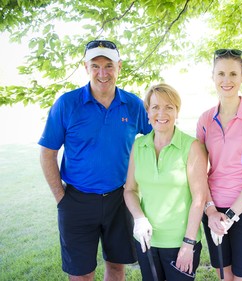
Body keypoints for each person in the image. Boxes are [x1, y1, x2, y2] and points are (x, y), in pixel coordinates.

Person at [39, 40, 152, 281]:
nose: (103, 73)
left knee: (116, 267)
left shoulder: (133, 105)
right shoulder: (67, 104)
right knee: (81, 274)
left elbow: (154, 141)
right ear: (86, 67)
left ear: (119, 67)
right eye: (96, 65)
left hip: (120, 199)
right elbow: (47, 153)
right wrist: (61, 199)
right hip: (76, 202)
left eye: (109, 65)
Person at [196, 49, 242, 281]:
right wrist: (210, 211)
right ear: (213, 76)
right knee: (224, 277)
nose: (226, 80)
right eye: (220, 74)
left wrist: (230, 216)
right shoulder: (205, 119)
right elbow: (199, 172)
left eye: (232, 74)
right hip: (214, 211)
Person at [124, 83, 208, 281]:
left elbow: (199, 197)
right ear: (147, 112)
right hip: (147, 242)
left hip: (180, 243)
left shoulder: (191, 146)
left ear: (177, 112)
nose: (161, 113)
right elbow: (130, 190)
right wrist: (139, 218)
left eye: (169, 107)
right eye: (155, 107)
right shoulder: (139, 145)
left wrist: (188, 243)